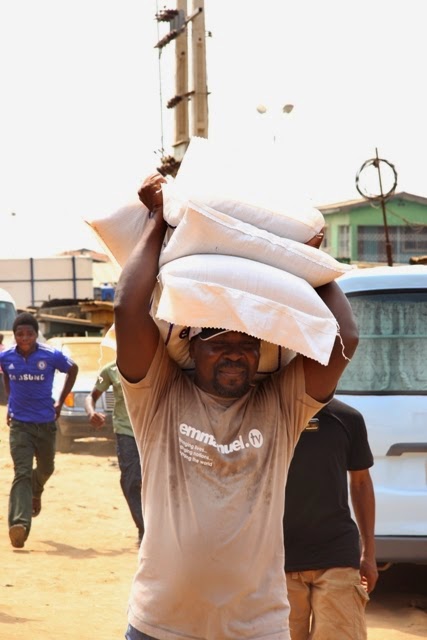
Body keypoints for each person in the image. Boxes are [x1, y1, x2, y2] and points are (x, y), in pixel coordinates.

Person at [113, 172, 359, 640]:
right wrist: (159, 220)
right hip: (160, 625)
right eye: (217, 340)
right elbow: (129, 308)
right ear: (192, 348)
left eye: (246, 343)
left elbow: (343, 339)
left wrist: (310, 263)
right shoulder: (161, 398)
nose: (234, 351)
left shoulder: (280, 407)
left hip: (257, 628)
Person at [284, 398, 379, 640]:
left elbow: (360, 483)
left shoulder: (348, 418)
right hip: (277, 559)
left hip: (337, 554)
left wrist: (368, 553)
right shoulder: (272, 414)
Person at [0, 312, 78, 549]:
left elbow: (73, 369)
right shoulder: (6, 357)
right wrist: (11, 402)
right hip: (20, 425)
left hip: (45, 422)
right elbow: (7, 378)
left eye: (29, 333)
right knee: (22, 472)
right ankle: (19, 526)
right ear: (14, 336)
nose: (25, 338)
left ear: (36, 334)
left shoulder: (50, 355)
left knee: (46, 467)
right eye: (20, 334)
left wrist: (61, 402)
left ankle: (36, 491)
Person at [85, 360, 144, 544]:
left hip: (154, 431)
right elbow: (91, 396)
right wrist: (91, 412)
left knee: (157, 481)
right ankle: (144, 528)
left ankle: (156, 527)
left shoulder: (155, 363)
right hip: (126, 431)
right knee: (132, 479)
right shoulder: (111, 370)